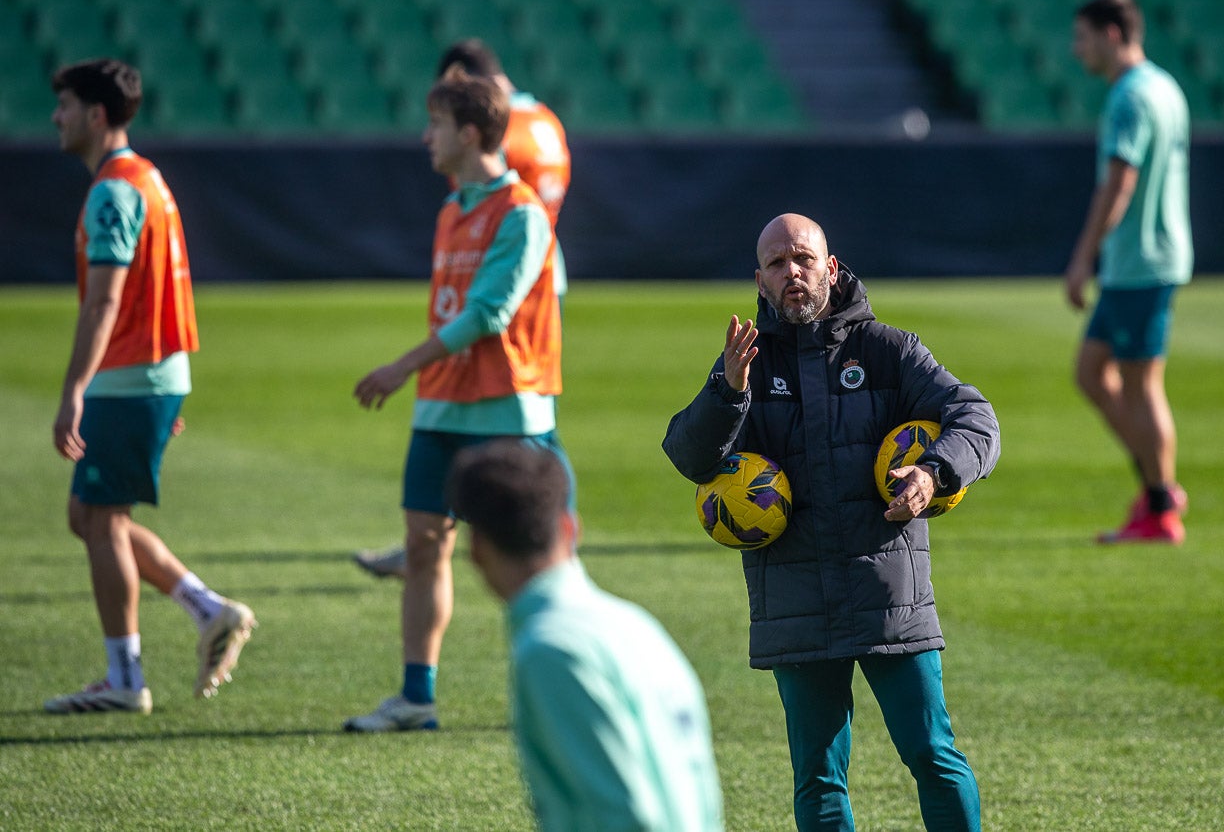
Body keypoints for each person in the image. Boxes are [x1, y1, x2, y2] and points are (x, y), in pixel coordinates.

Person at [662, 214, 1001, 831]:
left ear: (831, 267)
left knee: (933, 755)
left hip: (888, 593)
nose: (792, 272)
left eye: (803, 259)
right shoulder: (746, 367)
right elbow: (688, 456)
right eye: (776, 264)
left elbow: (977, 419)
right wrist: (727, 390)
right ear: (759, 281)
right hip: (796, 597)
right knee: (818, 779)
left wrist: (932, 474)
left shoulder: (889, 351)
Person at [344, 73, 567, 732]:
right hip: (442, 407)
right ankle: (417, 697)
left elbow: (489, 315)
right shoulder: (451, 209)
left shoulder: (522, 212)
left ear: (468, 133)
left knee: (526, 558)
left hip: (505, 406)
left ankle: (556, 690)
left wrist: (400, 366)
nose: (425, 136)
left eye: (435, 124)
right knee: (423, 546)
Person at [44, 59, 256, 715]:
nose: (56, 116)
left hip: (131, 372)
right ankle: (208, 609)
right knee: (89, 516)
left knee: (101, 519)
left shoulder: (114, 190)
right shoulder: (147, 180)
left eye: (67, 105)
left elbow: (105, 303)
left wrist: (75, 388)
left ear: (97, 115)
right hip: (149, 373)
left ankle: (124, 677)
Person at [353, 37, 572, 580]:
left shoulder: (499, 141)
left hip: (510, 261)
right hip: (544, 263)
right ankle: (538, 525)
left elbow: (492, 195)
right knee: (536, 421)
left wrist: (404, 364)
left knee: (527, 423)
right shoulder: (546, 120)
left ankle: (550, 531)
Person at [449, 439, 724, 831]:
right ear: (569, 527)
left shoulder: (552, 650)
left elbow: (622, 813)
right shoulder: (636, 625)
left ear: (476, 548)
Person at [1065, 0, 1192, 544]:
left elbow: (1121, 180)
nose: (1077, 50)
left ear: (1111, 34)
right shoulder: (1164, 86)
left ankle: (1161, 506)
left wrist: (1083, 256)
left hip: (1140, 260)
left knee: (1142, 386)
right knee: (1092, 374)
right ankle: (1157, 482)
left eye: (1083, 37)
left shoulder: (1130, 98)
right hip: (1145, 259)